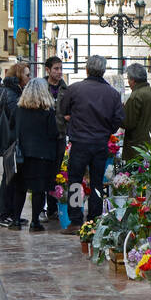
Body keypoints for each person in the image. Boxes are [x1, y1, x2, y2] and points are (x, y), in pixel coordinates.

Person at [58, 54, 125, 232]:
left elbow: (63, 110)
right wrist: (107, 130)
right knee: (97, 182)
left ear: (87, 69)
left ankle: (75, 220)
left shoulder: (74, 89)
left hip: (79, 141)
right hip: (100, 143)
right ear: (103, 71)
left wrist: (73, 122)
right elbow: (118, 118)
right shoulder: (112, 93)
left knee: (74, 181)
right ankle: (94, 218)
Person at [12, 77, 62, 232]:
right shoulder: (47, 112)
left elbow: (13, 129)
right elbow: (53, 133)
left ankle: (15, 221)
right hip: (42, 156)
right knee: (38, 190)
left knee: (20, 188)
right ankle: (35, 222)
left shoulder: (19, 110)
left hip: (22, 155)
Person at [31, 56, 68, 221]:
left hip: (60, 135)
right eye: (56, 69)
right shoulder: (40, 87)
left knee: (56, 172)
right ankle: (40, 209)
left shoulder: (65, 89)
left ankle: (53, 208)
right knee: (42, 173)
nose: (59, 72)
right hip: (43, 138)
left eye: (61, 68)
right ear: (48, 70)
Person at [0, 63, 29, 228]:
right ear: (19, 76)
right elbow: (16, 116)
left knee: (14, 178)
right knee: (8, 178)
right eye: (27, 75)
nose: (29, 78)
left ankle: (13, 214)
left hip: (12, 140)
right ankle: (5, 215)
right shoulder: (11, 93)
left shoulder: (14, 91)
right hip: (10, 142)